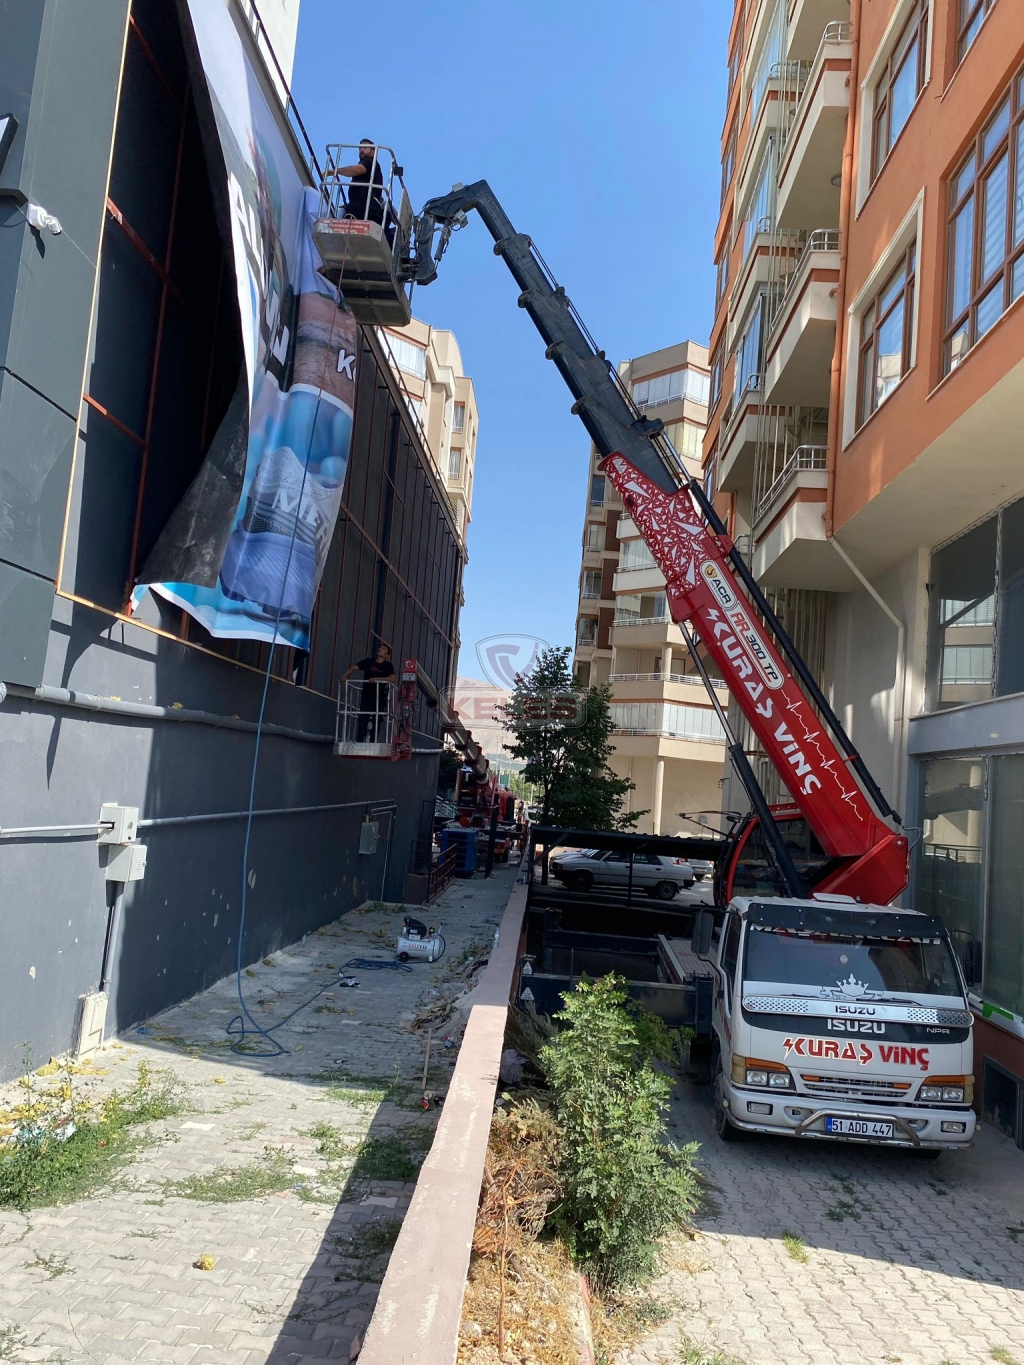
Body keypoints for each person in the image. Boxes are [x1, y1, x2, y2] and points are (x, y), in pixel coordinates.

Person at [340, 644, 395, 741]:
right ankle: (359, 740)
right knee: (363, 718)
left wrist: (377, 679)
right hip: (367, 695)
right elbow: (354, 668)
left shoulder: (388, 666)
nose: (380, 649)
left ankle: (373, 741)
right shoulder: (369, 662)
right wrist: (345, 676)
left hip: (380, 697)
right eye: (380, 647)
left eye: (383, 649)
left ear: (387, 655)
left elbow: (392, 678)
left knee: (377, 720)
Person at [335, 140, 385, 225]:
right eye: (360, 148)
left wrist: (335, 171)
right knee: (342, 210)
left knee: (344, 211)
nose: (361, 150)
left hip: (366, 206)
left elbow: (356, 170)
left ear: (373, 151)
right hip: (362, 205)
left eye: (365, 147)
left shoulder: (370, 162)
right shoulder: (371, 166)